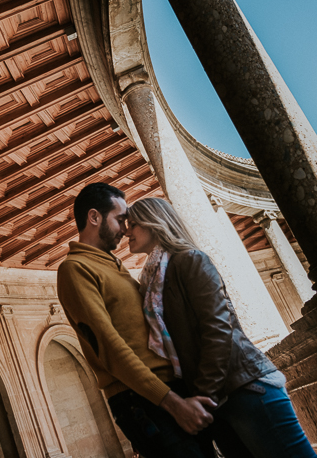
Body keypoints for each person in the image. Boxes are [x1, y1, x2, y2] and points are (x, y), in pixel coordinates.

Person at [124, 197, 317, 458]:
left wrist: (203, 396)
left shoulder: (190, 260)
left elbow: (218, 328)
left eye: (133, 223)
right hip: (217, 401)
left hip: (245, 389)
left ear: (154, 223)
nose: (126, 230)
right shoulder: (152, 279)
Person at [57, 183, 217, 458]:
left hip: (166, 392)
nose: (125, 228)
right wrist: (173, 403)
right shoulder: (74, 269)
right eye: (120, 219)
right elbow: (110, 347)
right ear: (94, 217)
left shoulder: (113, 265)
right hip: (143, 400)